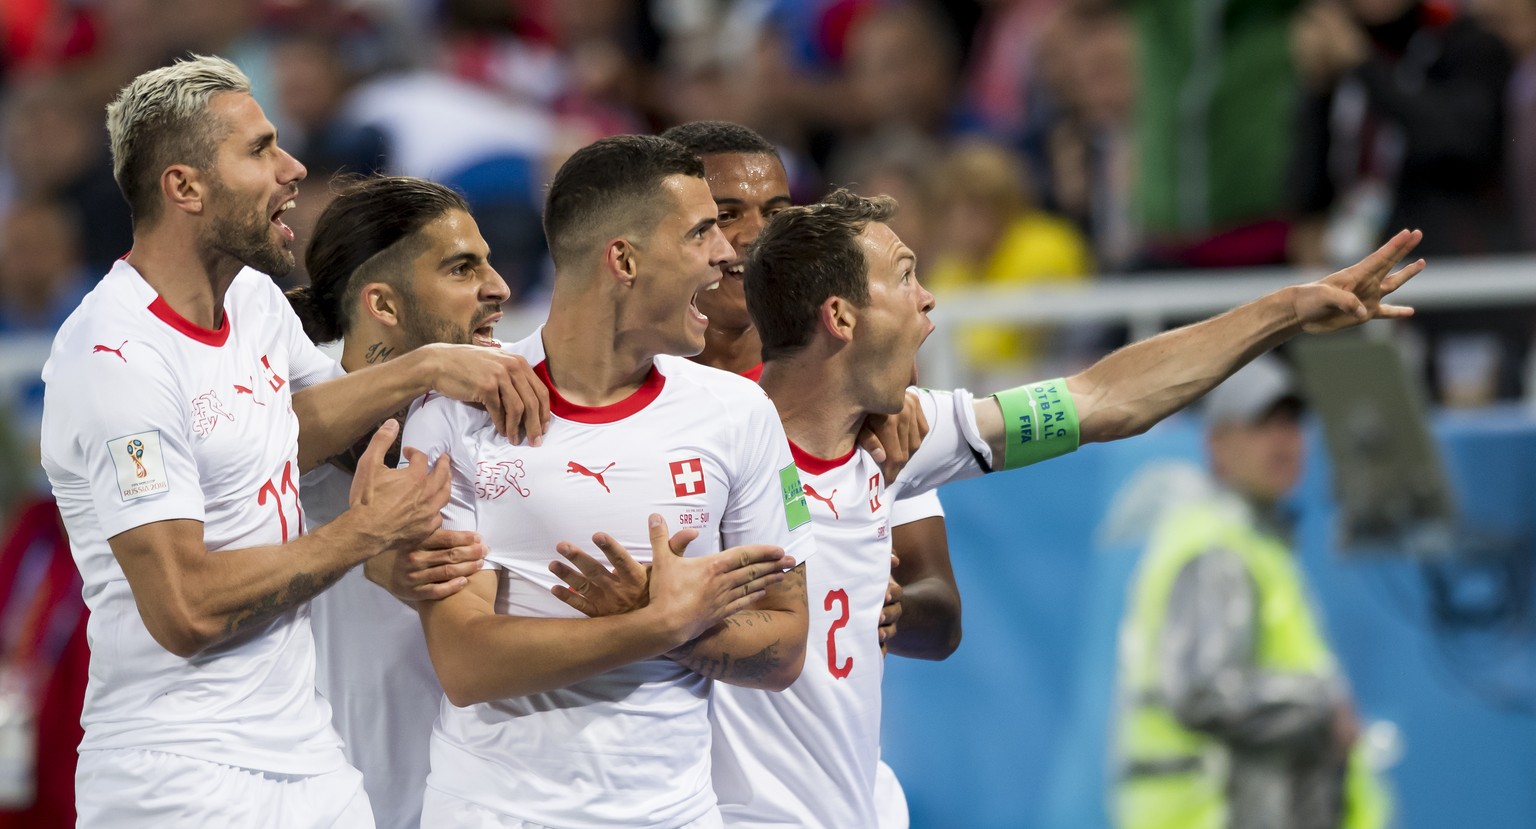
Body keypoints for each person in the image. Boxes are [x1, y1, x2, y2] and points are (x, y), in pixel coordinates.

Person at [558, 189, 1422, 828]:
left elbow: (1101, 398)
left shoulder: (900, 439)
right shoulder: (704, 454)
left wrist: (1282, 311)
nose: (931, 299)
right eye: (906, 277)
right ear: (840, 316)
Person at [37, 54, 545, 827]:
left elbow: (299, 426)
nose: (292, 166)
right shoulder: (116, 358)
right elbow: (184, 607)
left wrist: (435, 365)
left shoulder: (252, 302)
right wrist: (361, 534)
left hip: (308, 756)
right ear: (185, 187)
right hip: (178, 771)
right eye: (259, 150)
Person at [402, 134, 815, 828]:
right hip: (494, 810)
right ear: (624, 259)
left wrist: (668, 626)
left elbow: (785, 643)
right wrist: (656, 621)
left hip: (674, 813)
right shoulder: (458, 410)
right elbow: (466, 662)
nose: (724, 255)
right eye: (701, 232)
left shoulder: (738, 412)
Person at [658, 119, 957, 828]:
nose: (751, 237)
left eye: (775, 215)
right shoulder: (640, 409)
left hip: (847, 801)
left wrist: (884, 607)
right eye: (724, 216)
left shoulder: (870, 413)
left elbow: (941, 615)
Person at [289, 175, 521, 829]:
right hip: (346, 801)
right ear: (383, 304)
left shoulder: (494, 400)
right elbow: (287, 437)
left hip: (486, 801)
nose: (498, 286)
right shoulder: (295, 396)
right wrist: (424, 368)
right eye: (462, 267)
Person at [1114, 355, 1389, 829]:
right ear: (1217, 443)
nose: (1283, 440)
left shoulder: (1254, 542)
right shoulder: (1217, 548)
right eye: (1262, 424)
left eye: (1291, 424)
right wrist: (1319, 704)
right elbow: (1205, 692)